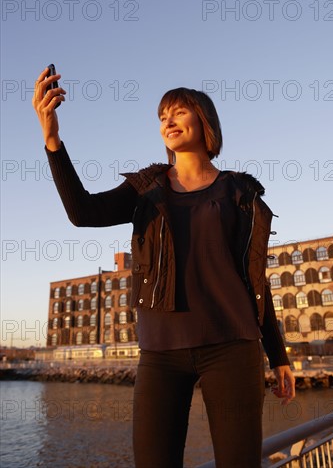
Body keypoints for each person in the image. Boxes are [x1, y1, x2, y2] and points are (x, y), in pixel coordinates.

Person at [33, 67, 295, 468]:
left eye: (178, 112)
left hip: (232, 345)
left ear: (203, 120)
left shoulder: (240, 192)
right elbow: (82, 212)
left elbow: (255, 281)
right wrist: (52, 141)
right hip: (160, 350)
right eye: (161, 116)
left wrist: (278, 356)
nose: (168, 121)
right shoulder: (146, 188)